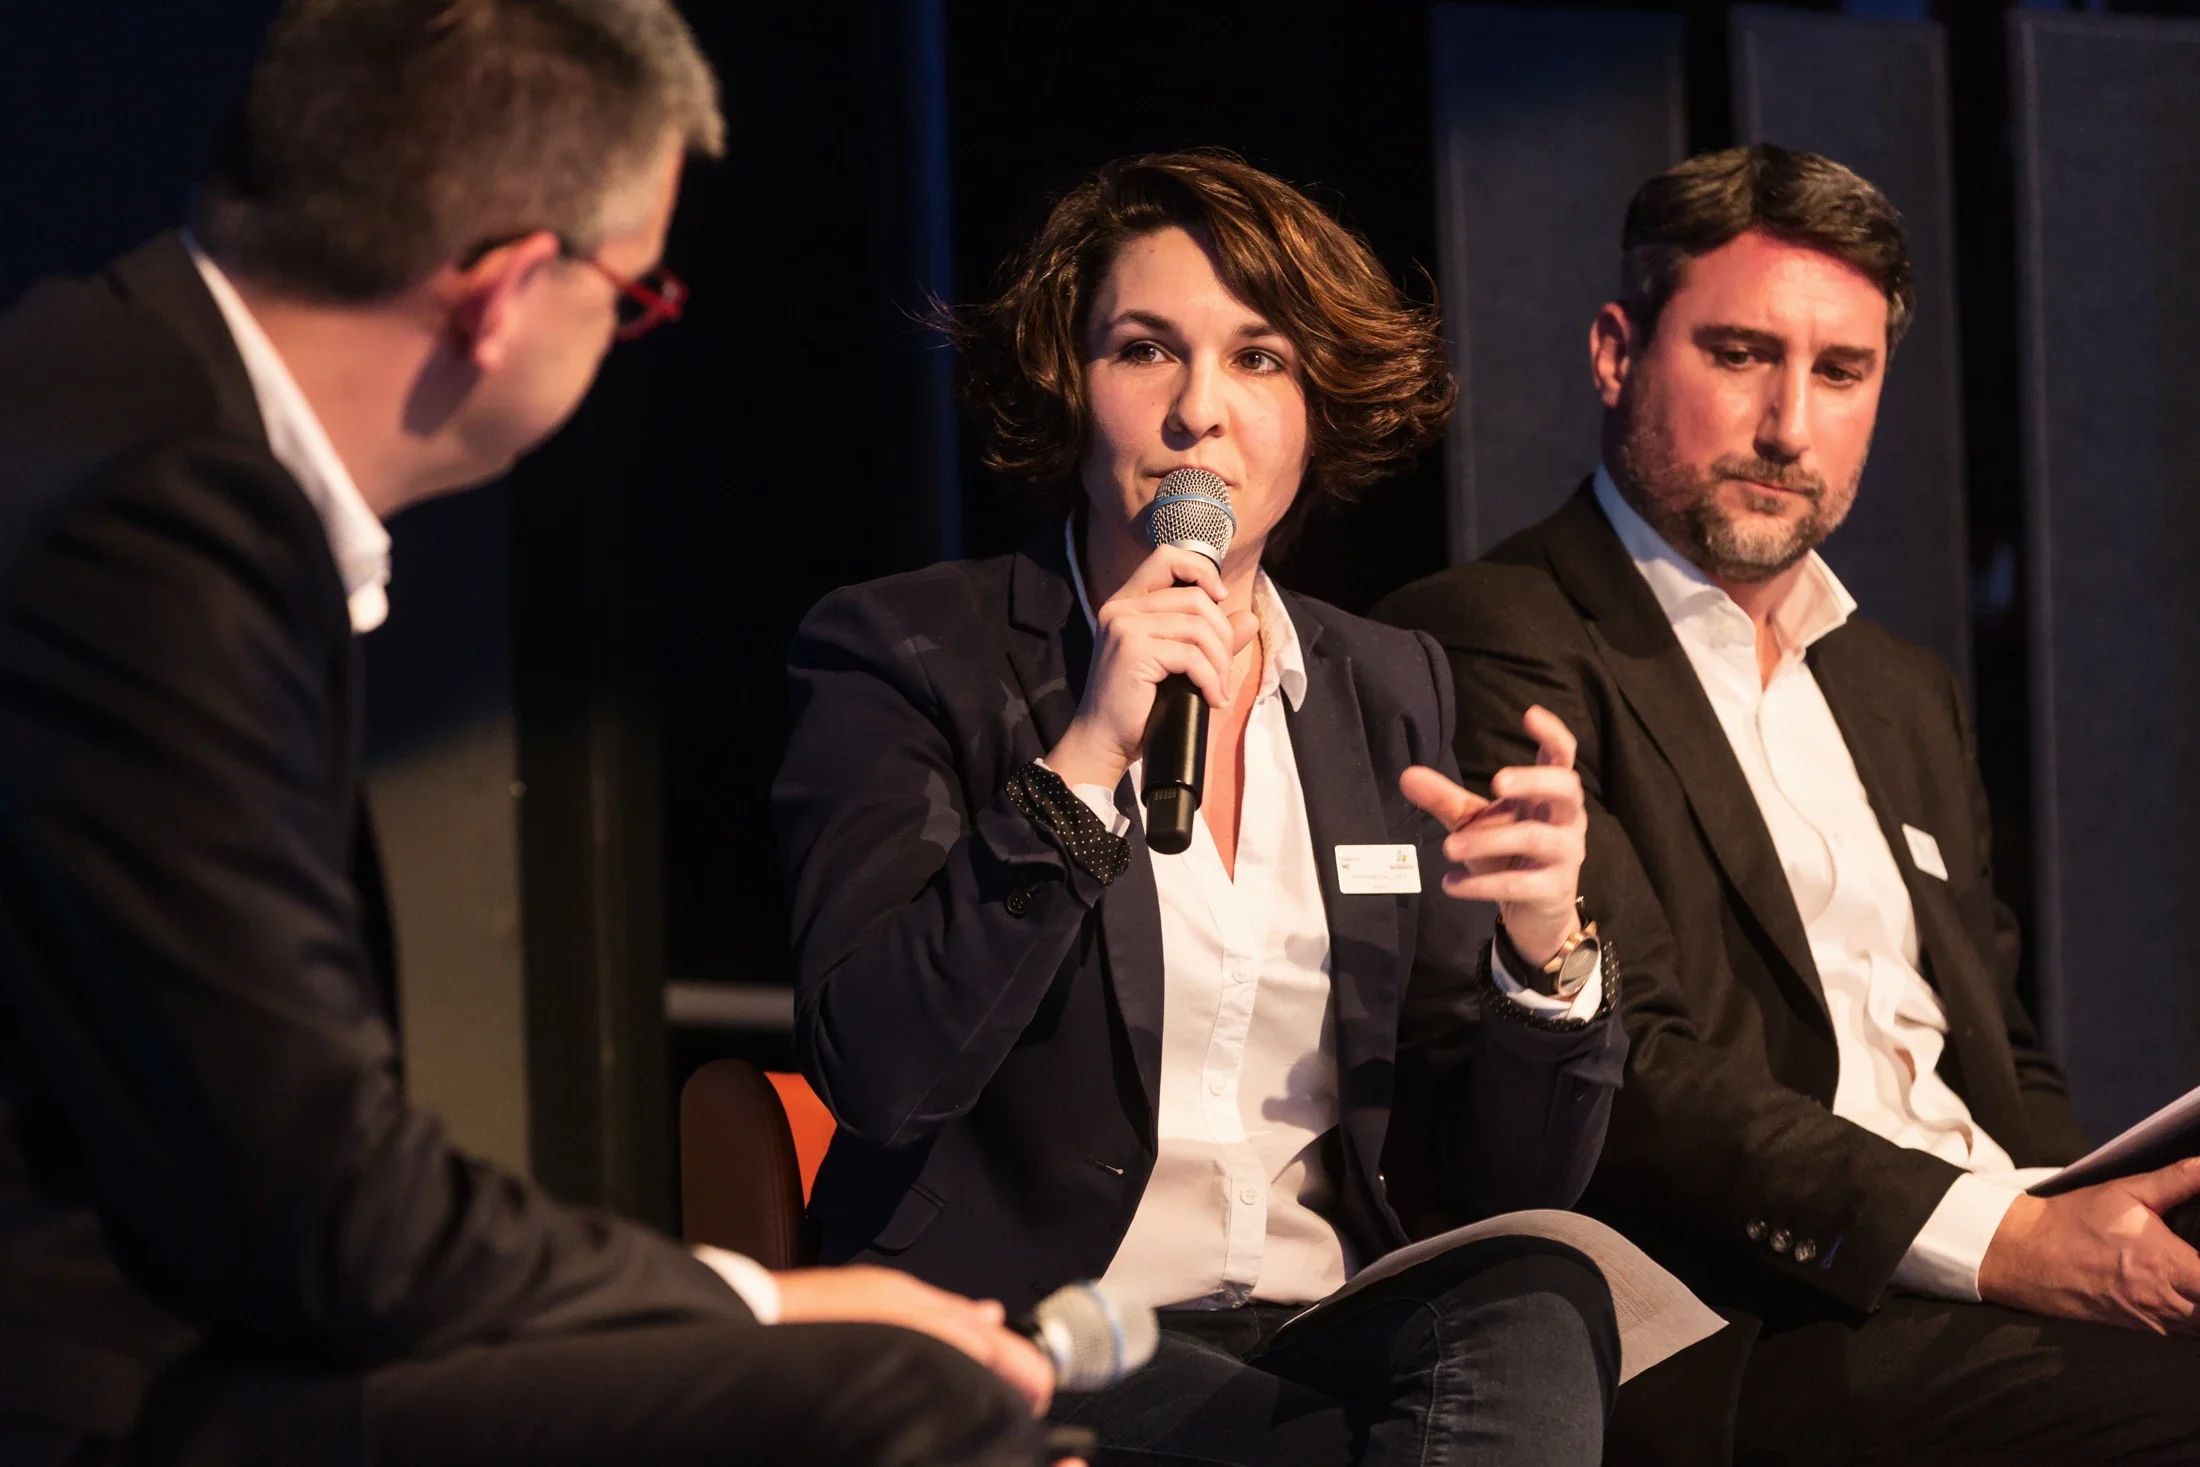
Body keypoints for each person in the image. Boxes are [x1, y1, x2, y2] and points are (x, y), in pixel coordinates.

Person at [0, 4, 1064, 1464]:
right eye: (634, 296)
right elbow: (333, 1218)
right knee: (904, 1398)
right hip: (89, 1381)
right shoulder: (156, 520)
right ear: (504, 294)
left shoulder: (92, 392)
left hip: (171, 1322)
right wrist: (761, 1301)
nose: (626, 334)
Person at [772, 150, 1628, 1467]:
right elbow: (881, 1070)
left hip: (1317, 1326)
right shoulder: (910, 653)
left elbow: (1503, 1184)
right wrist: (1081, 766)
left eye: (1259, 359)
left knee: (1542, 1301)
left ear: (1317, 409)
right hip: (1045, 1329)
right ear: (1070, 386)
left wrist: (1541, 958)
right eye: (1145, 351)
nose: (1199, 413)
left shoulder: (1388, 685)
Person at [1377, 143, 2200, 1465]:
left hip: (1989, 1273)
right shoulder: (1491, 637)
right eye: (1741, 354)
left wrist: (2109, 1212)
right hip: (1762, 1317)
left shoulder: (1901, 688)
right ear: (1616, 354)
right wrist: (2008, 1241)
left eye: (1840, 372)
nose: (1787, 427)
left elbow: (2001, 1056)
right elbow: (1632, 1075)